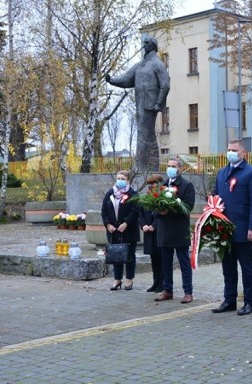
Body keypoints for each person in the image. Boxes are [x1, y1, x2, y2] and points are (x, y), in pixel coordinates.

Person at [211, 139, 252, 316]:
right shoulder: (222, 173)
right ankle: (229, 300)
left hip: (242, 228)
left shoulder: (251, 172)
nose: (230, 152)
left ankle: (249, 302)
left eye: (234, 150)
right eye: (228, 149)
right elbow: (215, 198)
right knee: (228, 267)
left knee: (246, 267)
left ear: (243, 153)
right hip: (224, 230)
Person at [105, 35, 170, 173]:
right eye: (144, 42)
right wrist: (111, 80)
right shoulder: (140, 65)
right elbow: (126, 79)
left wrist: (159, 103)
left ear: (153, 45)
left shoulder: (157, 64)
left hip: (150, 105)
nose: (144, 45)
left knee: (145, 134)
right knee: (144, 134)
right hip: (140, 104)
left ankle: (143, 166)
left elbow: (165, 85)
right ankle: (146, 166)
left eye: (147, 43)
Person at [154, 157, 196, 304]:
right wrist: (160, 211)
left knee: (184, 262)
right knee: (165, 262)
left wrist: (170, 210)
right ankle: (167, 290)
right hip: (164, 230)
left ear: (180, 169)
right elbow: (154, 208)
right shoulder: (162, 185)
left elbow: (188, 207)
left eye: (173, 166)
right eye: (168, 165)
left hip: (179, 230)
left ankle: (188, 292)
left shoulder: (186, 185)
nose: (170, 168)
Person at [101, 170, 140, 291]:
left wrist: (126, 223)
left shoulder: (133, 194)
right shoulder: (110, 193)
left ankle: (129, 279)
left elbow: (136, 211)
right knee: (115, 255)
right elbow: (104, 210)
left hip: (128, 230)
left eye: (123, 179)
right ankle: (117, 279)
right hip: (114, 230)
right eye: (118, 178)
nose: (120, 181)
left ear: (128, 180)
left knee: (129, 255)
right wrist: (107, 224)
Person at [139, 174, 164, 293]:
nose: (152, 186)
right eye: (150, 184)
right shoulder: (145, 197)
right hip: (148, 232)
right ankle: (155, 282)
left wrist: (154, 225)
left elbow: (162, 215)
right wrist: (143, 225)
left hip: (159, 231)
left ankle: (162, 283)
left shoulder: (163, 196)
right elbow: (141, 214)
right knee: (153, 258)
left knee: (161, 259)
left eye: (154, 184)